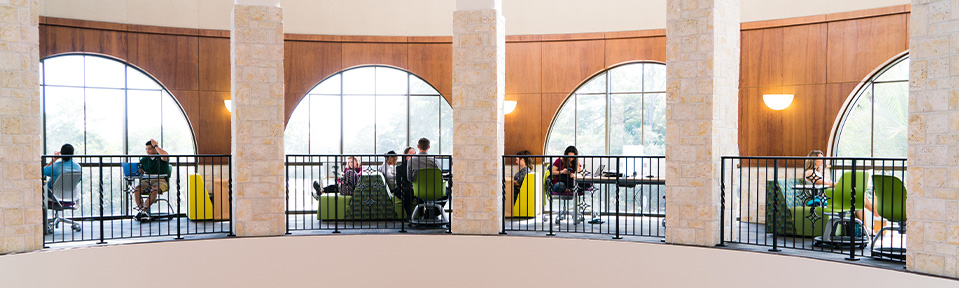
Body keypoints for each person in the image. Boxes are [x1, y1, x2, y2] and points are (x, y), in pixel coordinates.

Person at [803, 150, 880, 234]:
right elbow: (821, 183)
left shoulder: (818, 172)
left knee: (858, 197)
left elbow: (828, 184)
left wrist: (840, 185)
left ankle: (866, 225)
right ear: (813, 159)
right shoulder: (809, 172)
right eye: (820, 158)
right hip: (823, 197)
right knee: (857, 196)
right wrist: (841, 184)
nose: (822, 160)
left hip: (828, 194)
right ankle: (874, 214)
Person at [134, 139, 170, 220]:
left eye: (150, 149)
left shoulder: (161, 157)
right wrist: (139, 171)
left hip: (160, 180)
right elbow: (142, 171)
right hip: (147, 180)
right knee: (137, 189)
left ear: (155, 149)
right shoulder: (144, 159)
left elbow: (165, 155)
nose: (147, 151)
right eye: (146, 149)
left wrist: (156, 146)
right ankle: (142, 212)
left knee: (154, 188)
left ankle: (143, 211)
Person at [394, 147, 417, 217]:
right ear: (405, 156)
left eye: (414, 154)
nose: (413, 156)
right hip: (405, 187)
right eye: (410, 154)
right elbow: (399, 182)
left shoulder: (417, 166)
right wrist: (411, 186)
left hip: (416, 187)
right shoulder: (400, 167)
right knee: (407, 191)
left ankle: (423, 216)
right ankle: (410, 216)